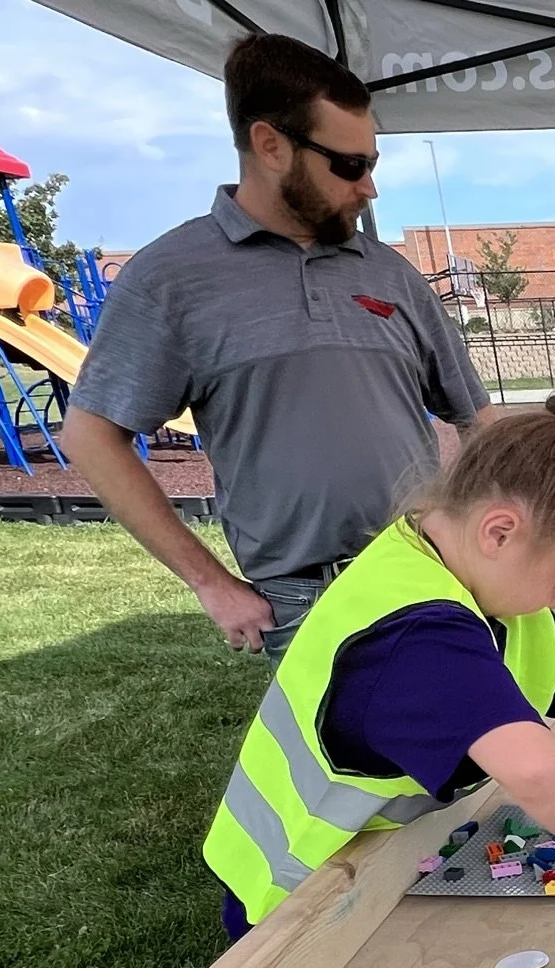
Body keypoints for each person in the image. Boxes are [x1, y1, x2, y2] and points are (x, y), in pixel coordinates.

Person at [60, 32, 495, 661]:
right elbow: (90, 437)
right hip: (304, 603)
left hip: (431, 573)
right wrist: (210, 583)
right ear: (270, 145)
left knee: (471, 727)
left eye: (372, 163)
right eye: (350, 165)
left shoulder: (391, 274)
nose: (369, 187)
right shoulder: (170, 279)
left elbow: (478, 419)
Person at [205, 384, 555, 937]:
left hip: (383, 868)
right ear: (499, 532)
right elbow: (535, 770)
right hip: (294, 891)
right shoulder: (418, 633)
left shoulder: (488, 581)